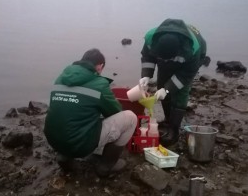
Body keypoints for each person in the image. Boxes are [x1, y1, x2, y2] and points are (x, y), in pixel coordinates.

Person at [44, 48, 137, 177]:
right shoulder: (99, 83)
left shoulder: (60, 78)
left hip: (53, 140)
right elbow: (115, 112)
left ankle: (64, 157)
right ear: (100, 66)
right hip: (80, 145)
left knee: (69, 115)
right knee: (131, 118)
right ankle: (106, 166)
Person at [139, 19, 207, 146]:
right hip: (171, 54)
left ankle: (174, 129)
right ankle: (167, 120)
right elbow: (147, 56)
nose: (165, 61)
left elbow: (186, 75)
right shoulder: (151, 39)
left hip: (191, 61)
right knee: (161, 86)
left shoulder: (192, 49)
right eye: (162, 58)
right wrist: (146, 76)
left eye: (167, 59)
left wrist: (167, 89)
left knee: (180, 91)